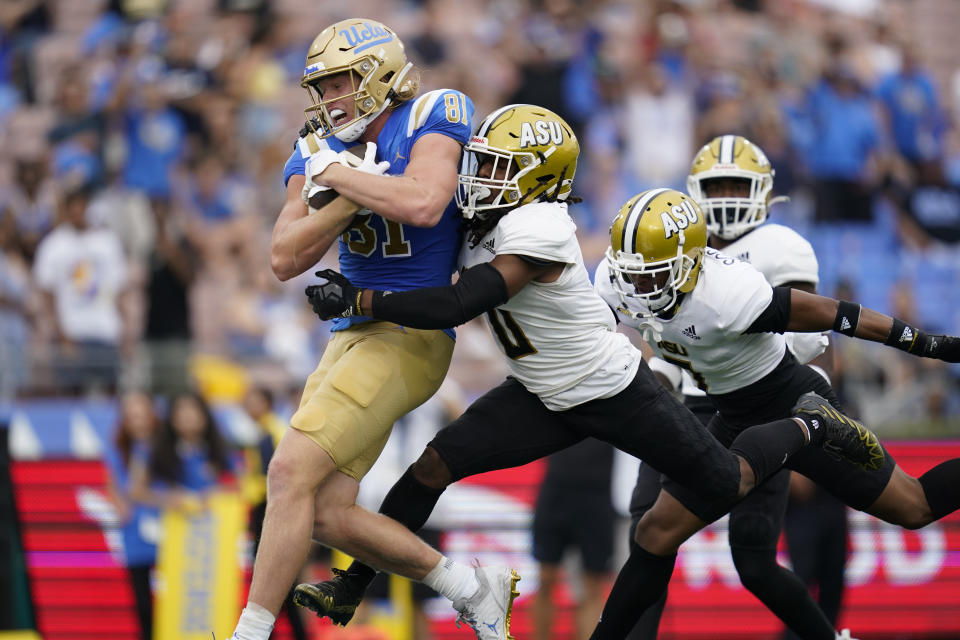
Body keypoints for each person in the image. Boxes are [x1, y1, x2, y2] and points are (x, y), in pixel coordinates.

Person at [295, 104, 875, 635]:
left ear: (540, 179)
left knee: (724, 481)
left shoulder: (541, 225)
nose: (481, 177)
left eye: (499, 168)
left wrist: (362, 300)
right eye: (483, 164)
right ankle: (352, 587)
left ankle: (812, 428)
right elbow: (410, 216)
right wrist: (342, 178)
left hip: (610, 387)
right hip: (539, 392)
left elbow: (458, 303)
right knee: (430, 468)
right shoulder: (477, 214)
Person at [229, 18, 522, 640]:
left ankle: (248, 635)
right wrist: (347, 192)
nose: (331, 98)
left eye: (342, 82)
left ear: (382, 74)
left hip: (409, 330)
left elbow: (424, 202)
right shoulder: (317, 145)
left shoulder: (435, 111)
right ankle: (471, 587)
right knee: (325, 513)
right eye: (323, 86)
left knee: (285, 474)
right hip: (348, 335)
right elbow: (284, 257)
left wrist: (337, 174)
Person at [589, 186, 960, 638]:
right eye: (632, 274)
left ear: (688, 264)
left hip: (787, 395)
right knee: (655, 533)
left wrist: (928, 345)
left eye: (652, 275)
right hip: (730, 413)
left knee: (914, 506)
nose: (638, 287)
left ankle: (814, 423)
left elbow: (839, 315)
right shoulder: (616, 280)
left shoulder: (729, 292)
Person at [626, 135, 844, 640]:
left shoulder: (779, 247)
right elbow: (666, 347)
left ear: (764, 192)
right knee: (647, 532)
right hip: (688, 408)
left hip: (756, 409)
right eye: (715, 186)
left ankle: (826, 636)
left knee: (754, 560)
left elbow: (810, 340)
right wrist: (654, 381)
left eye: (735, 185)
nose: (724, 197)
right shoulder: (674, 251)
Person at [532, 438, 615, 640]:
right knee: (546, 578)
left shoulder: (615, 405)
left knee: (593, 586)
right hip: (555, 490)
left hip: (597, 493)